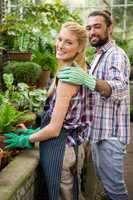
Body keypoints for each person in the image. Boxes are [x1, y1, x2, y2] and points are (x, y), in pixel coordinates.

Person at [4, 21, 90, 200]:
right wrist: (35, 131)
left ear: (80, 47)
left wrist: (26, 138)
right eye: (60, 39)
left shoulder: (68, 78)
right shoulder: (73, 70)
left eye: (68, 42)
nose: (60, 45)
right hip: (65, 146)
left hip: (62, 150)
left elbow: (55, 128)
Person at [58, 11, 130, 200]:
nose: (92, 32)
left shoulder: (115, 55)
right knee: (106, 186)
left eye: (97, 26)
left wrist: (87, 79)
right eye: (88, 28)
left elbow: (120, 89)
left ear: (110, 28)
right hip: (98, 134)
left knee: (115, 190)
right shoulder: (99, 55)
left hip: (110, 136)